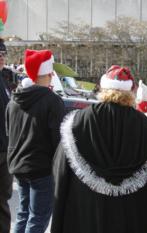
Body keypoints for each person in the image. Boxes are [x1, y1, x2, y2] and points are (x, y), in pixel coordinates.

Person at [51, 65, 147, 233]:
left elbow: (61, 172)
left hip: (87, 214)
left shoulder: (79, 122)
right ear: (130, 91)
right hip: (133, 217)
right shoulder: (145, 127)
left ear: (103, 88)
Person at [6, 49, 65, 233]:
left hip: (18, 164)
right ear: (47, 74)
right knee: (38, 218)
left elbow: (9, 132)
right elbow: (58, 140)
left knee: (23, 214)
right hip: (42, 168)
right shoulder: (52, 101)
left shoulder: (14, 100)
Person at [0, 38, 13, 233]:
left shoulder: (5, 79)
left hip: (5, 151)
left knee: (3, 200)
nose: (1, 57)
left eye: (3, 53)